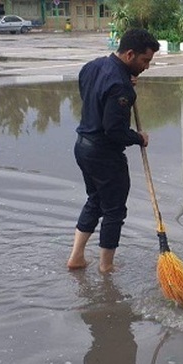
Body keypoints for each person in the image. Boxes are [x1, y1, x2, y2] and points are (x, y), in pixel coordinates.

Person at [67, 28, 160, 273]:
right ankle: (106, 266)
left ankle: (77, 257)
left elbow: (92, 95)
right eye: (145, 60)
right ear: (130, 54)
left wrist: (125, 80)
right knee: (114, 210)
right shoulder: (121, 87)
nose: (147, 67)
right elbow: (114, 130)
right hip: (104, 155)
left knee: (95, 201)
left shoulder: (92, 67)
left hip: (83, 146)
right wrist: (138, 138)